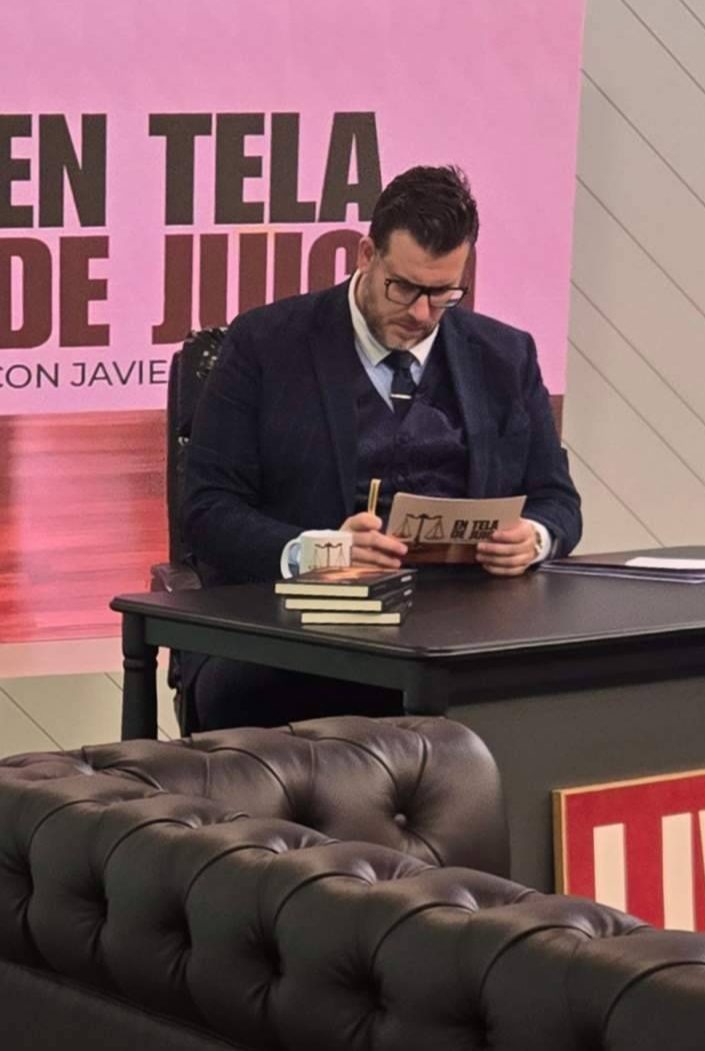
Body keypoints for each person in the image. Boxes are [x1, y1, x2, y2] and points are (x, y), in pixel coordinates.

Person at [180, 164, 583, 730]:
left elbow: (557, 501)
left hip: (460, 626)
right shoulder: (265, 345)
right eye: (404, 288)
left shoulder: (505, 356)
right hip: (299, 630)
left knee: (564, 686)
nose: (420, 313)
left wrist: (534, 538)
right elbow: (206, 510)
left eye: (443, 294)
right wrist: (318, 553)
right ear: (367, 255)